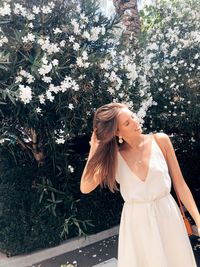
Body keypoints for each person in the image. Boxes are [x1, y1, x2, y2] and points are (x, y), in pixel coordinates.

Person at [80, 102, 200, 267]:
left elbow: (181, 185)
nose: (135, 122)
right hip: (137, 224)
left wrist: (198, 220)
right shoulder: (113, 157)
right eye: (127, 123)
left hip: (167, 215)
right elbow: (85, 187)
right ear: (117, 132)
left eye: (133, 116)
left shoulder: (161, 141)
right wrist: (94, 148)